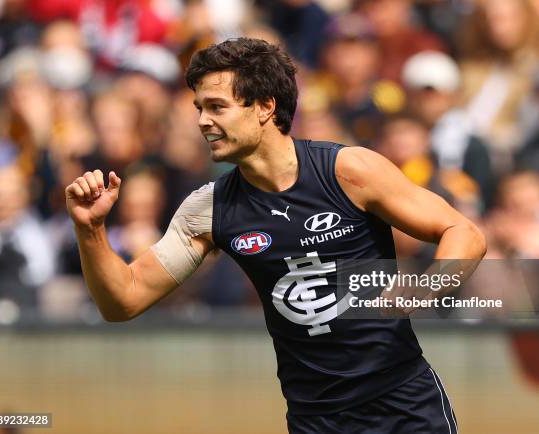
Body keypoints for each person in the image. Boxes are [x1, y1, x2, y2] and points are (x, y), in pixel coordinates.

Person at [65, 38, 486, 433]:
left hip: (404, 407)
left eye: (216, 107)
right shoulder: (209, 209)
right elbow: (123, 301)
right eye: (198, 108)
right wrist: (91, 229)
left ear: (265, 107)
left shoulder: (348, 171)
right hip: (313, 419)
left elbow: (463, 232)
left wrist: (423, 290)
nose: (202, 122)